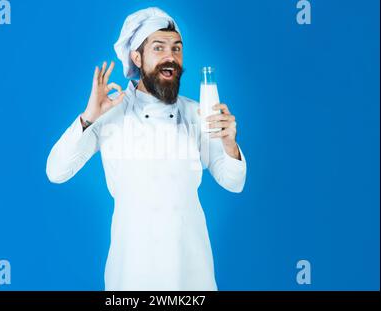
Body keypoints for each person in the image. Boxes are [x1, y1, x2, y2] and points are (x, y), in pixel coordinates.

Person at [46, 7, 247, 291]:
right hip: (130, 278)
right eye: (159, 47)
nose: (171, 57)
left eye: (177, 49)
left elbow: (234, 181)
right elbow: (56, 171)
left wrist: (229, 143)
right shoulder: (109, 113)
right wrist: (88, 117)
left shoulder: (196, 113)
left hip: (193, 279)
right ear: (136, 57)